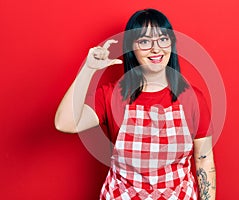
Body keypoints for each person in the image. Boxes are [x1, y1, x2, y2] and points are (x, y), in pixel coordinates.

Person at [55, 8, 216, 200]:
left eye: (163, 39)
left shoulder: (192, 98)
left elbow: (203, 161)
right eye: (145, 41)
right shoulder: (111, 96)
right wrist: (88, 69)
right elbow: (64, 123)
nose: (156, 49)